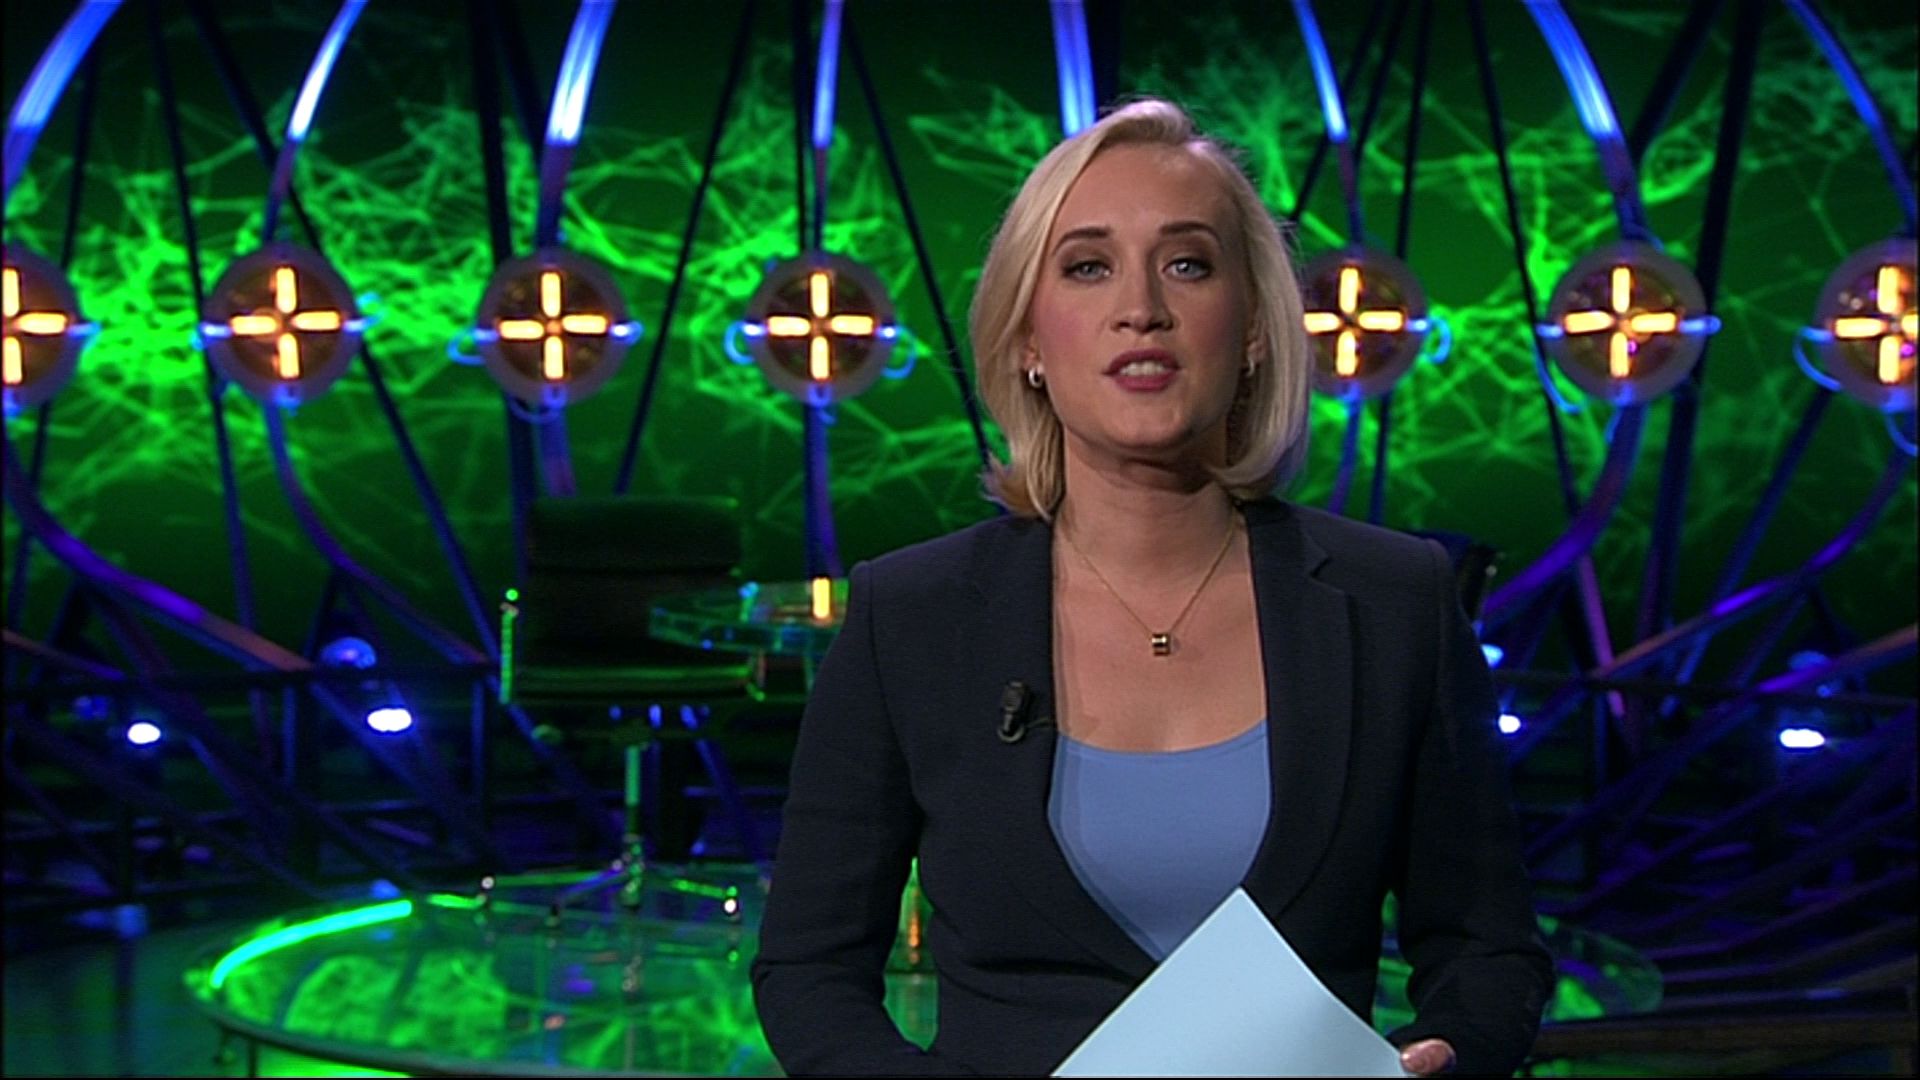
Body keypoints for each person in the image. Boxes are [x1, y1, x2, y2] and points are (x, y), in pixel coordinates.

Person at [751, 98, 1554, 1077]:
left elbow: (1488, 949)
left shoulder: (1396, 603)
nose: (1142, 308)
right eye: (1088, 267)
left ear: (1253, 330)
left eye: (1188, 265)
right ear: (1027, 341)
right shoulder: (910, 616)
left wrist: (1446, 1057)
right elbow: (809, 970)